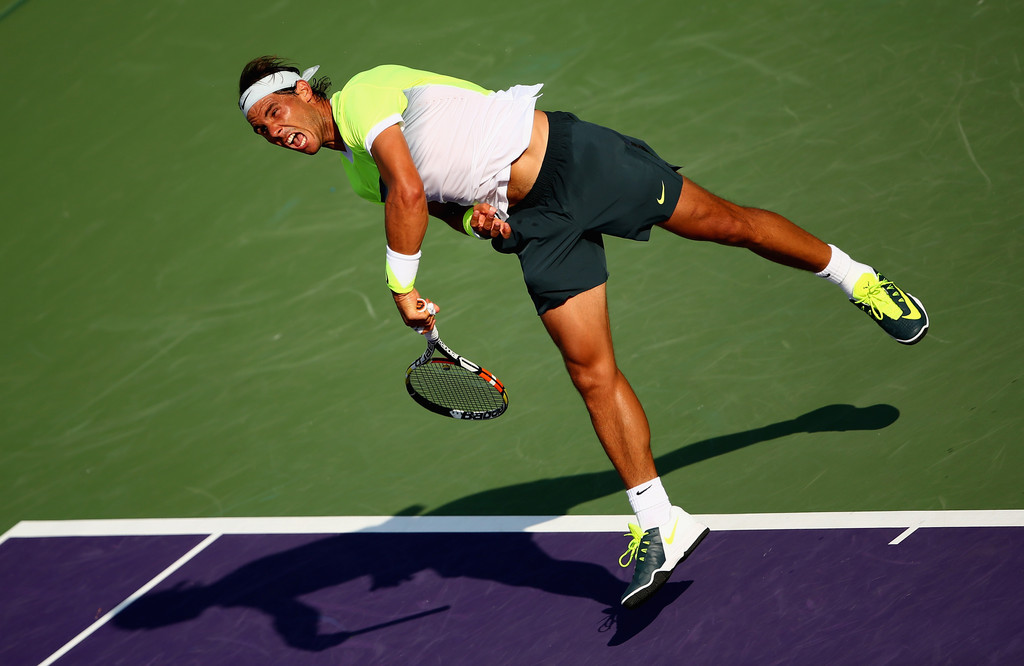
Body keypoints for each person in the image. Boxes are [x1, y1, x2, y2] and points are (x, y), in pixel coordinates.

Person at [238, 57, 929, 609]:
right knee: (590, 373)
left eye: (275, 112)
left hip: (577, 161)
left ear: (304, 91)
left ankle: (855, 278)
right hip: (538, 227)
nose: (274, 131)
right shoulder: (362, 177)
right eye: (262, 132)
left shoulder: (364, 94)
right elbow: (441, 203)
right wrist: (478, 219)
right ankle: (660, 522)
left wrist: (402, 287)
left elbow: (411, 192)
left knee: (729, 224)